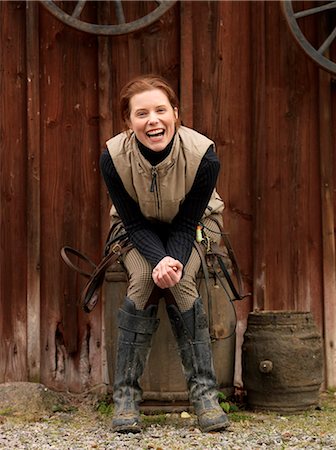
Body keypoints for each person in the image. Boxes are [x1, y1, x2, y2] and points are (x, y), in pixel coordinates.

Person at [100, 74, 229, 433]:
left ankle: (205, 395)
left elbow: (187, 224)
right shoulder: (112, 157)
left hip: (195, 226)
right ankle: (125, 398)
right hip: (135, 229)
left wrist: (171, 264)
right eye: (141, 114)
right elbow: (135, 224)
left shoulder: (204, 156)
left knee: (183, 280)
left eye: (160, 110)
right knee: (142, 278)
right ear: (129, 122)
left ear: (176, 113)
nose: (152, 120)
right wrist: (158, 262)